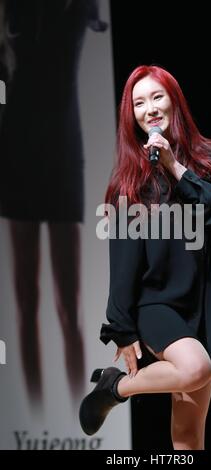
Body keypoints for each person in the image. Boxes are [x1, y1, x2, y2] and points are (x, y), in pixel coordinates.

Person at [79, 64, 211, 450]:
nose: (148, 108)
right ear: (130, 116)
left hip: (202, 301)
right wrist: (122, 326)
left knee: (187, 432)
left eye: (156, 97)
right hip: (156, 304)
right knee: (194, 367)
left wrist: (173, 166)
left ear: (174, 101)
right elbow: (124, 260)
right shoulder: (129, 180)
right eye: (138, 102)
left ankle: (114, 386)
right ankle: (116, 386)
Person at [0, 0, 106, 411]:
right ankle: (37, 413)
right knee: (26, 299)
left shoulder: (77, 7)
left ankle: (77, 415)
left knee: (70, 303)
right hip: (15, 155)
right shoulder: (10, 11)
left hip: (63, 149)